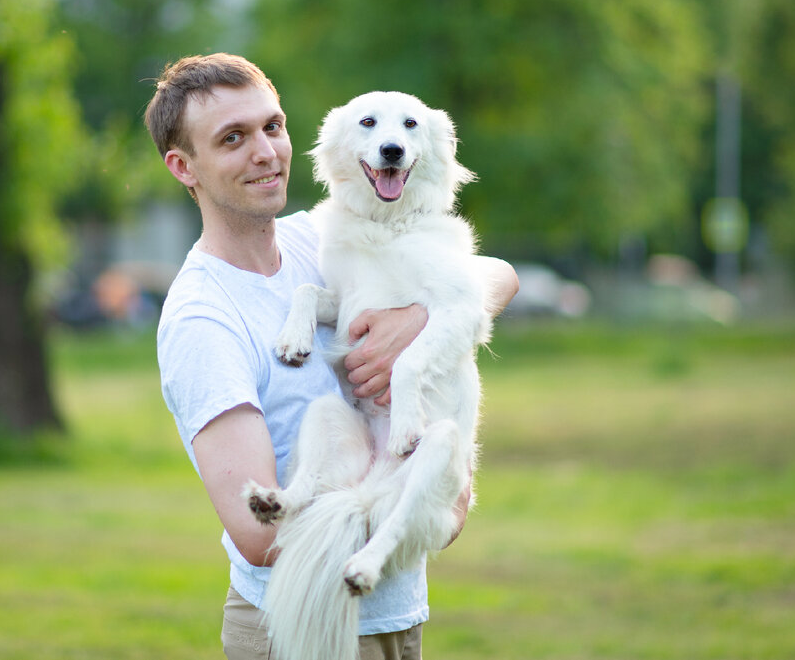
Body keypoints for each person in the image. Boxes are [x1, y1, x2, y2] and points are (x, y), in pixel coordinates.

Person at [145, 53, 518, 660]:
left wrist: (414, 324)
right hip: (302, 626)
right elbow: (258, 534)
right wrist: (424, 506)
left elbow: (497, 274)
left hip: (396, 616)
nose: (266, 152)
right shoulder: (202, 317)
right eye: (233, 138)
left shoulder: (319, 235)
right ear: (183, 166)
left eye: (273, 126)